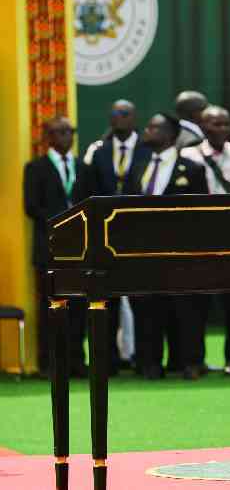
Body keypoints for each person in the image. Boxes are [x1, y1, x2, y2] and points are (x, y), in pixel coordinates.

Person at [127, 113, 209, 380]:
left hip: (181, 253)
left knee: (186, 310)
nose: (147, 130)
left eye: (154, 127)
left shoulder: (192, 169)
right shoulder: (138, 166)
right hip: (144, 254)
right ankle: (149, 363)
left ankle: (190, 362)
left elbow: (200, 213)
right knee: (148, 309)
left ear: (171, 135)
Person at [181, 105, 230, 376]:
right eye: (215, 124)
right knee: (196, 301)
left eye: (226, 123)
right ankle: (195, 360)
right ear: (203, 127)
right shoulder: (188, 156)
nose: (222, 129)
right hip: (197, 238)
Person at [83, 100, 151, 373]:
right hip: (105, 238)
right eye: (114, 114)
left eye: (124, 114)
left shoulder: (148, 150)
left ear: (134, 118)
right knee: (104, 303)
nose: (118, 118)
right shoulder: (98, 152)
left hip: (139, 237)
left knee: (142, 304)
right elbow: (86, 191)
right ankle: (106, 362)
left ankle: (145, 361)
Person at [23, 117, 95, 378]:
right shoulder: (35, 168)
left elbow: (91, 203)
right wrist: (61, 223)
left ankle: (77, 361)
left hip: (80, 249)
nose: (66, 136)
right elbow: (31, 207)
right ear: (48, 137)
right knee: (50, 307)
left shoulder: (83, 168)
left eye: (70, 131)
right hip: (49, 249)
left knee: (79, 306)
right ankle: (49, 363)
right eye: (60, 132)